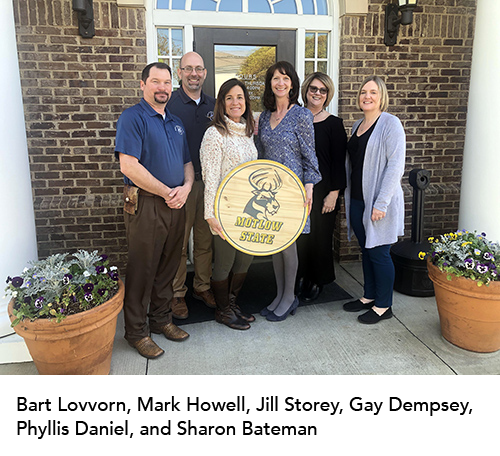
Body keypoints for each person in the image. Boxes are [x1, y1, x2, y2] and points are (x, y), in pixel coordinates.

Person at [115, 62, 194, 359]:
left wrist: (185, 188)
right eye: (156, 82)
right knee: (142, 269)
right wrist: (166, 193)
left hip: (176, 203)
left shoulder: (175, 122)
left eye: (167, 82)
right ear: (143, 84)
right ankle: (136, 332)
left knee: (169, 267)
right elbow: (129, 166)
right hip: (147, 203)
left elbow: (187, 161)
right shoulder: (133, 118)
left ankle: (161, 320)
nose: (162, 87)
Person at [255, 61, 321, 321]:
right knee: (274, 242)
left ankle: (290, 297)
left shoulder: (301, 115)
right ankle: (279, 294)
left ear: (292, 83)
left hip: (293, 189)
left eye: (285, 78)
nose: (280, 83)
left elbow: (309, 155)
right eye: (275, 78)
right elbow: (261, 154)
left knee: (288, 244)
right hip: (271, 190)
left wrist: (309, 185)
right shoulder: (264, 116)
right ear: (270, 84)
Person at [343, 75, 405, 324]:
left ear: (381, 97)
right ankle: (369, 296)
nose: (367, 96)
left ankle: (383, 305)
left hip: (378, 203)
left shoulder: (390, 123)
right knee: (366, 251)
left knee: (379, 252)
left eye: (373, 92)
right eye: (363, 92)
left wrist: (381, 203)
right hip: (358, 200)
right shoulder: (358, 125)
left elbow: (395, 166)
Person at [200, 78, 258, 330]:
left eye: (240, 98)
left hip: (249, 212)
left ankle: (232, 303)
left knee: (245, 259)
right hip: (225, 211)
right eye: (230, 98)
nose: (236, 102)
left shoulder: (247, 132)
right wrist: (210, 214)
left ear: (246, 102)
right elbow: (210, 176)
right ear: (222, 104)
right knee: (224, 262)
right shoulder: (214, 134)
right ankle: (222, 310)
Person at [167, 52, 216, 320]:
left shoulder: (215, 104)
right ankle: (176, 293)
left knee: (205, 240)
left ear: (205, 73)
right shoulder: (170, 103)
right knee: (179, 242)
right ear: (180, 72)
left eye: (198, 69)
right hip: (180, 185)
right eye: (188, 69)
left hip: (208, 184)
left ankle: (202, 286)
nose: (194, 74)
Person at [296, 72, 347, 301]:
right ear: (306, 90)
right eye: (313, 89)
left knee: (320, 237)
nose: (317, 93)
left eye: (322, 90)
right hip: (298, 189)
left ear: (328, 95)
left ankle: (318, 279)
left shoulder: (334, 124)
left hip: (325, 190)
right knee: (300, 237)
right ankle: (300, 276)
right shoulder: (295, 118)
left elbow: (339, 162)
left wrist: (334, 193)